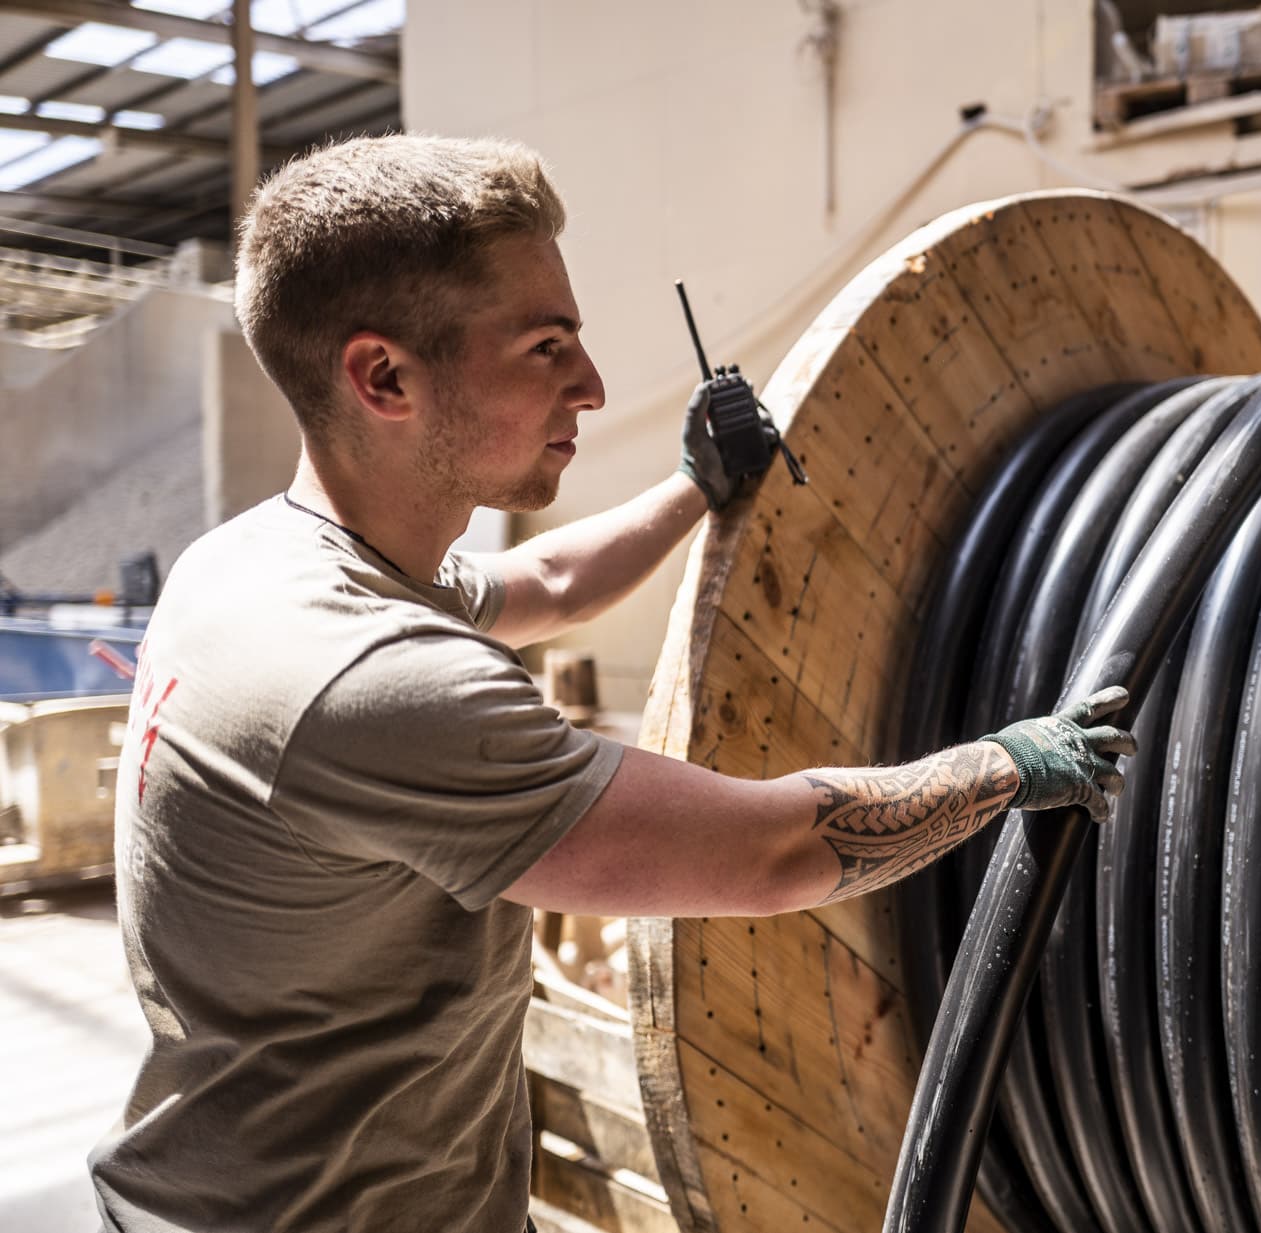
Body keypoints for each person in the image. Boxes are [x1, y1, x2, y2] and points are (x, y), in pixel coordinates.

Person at [88, 134, 1134, 1233]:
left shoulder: (259, 565)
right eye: (545, 347)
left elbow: (541, 579)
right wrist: (1006, 765)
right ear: (382, 376)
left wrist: (695, 489)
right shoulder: (373, 682)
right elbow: (769, 850)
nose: (589, 385)